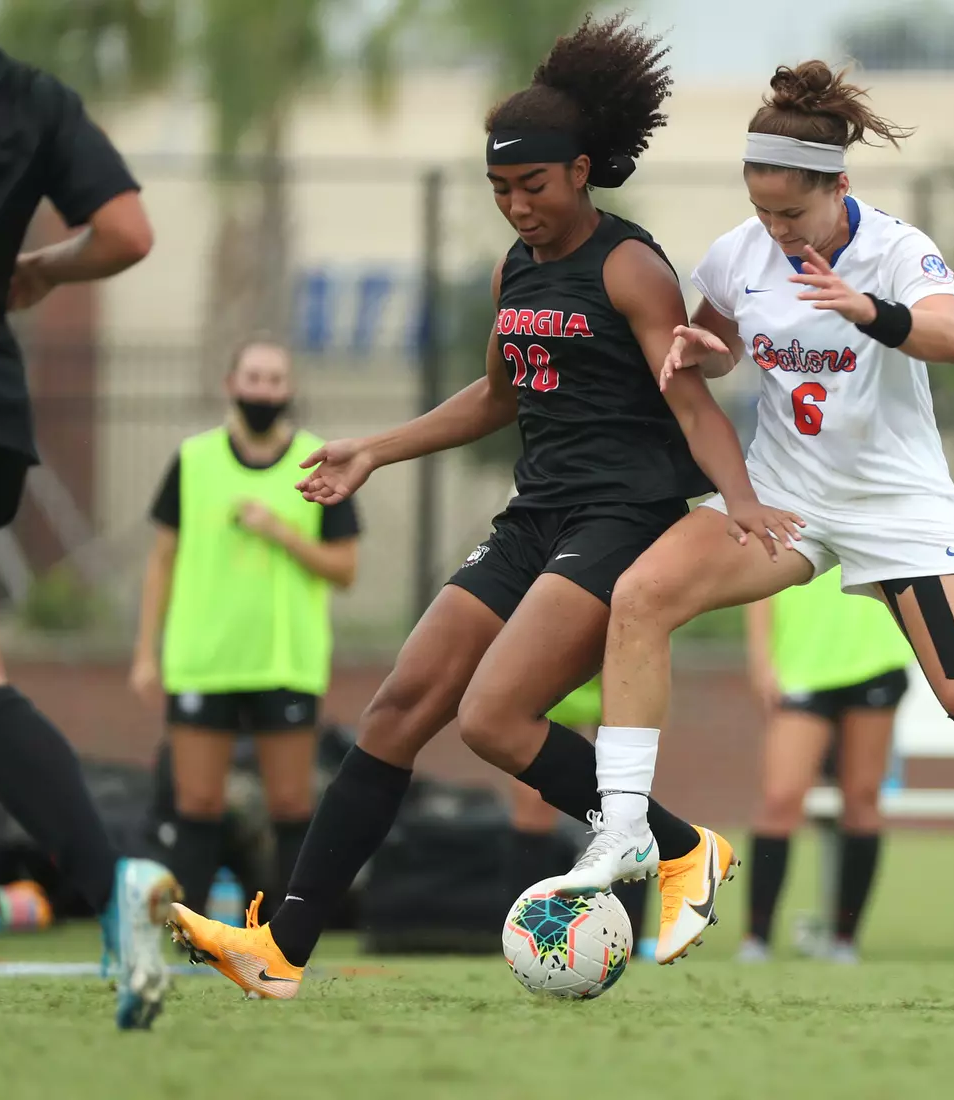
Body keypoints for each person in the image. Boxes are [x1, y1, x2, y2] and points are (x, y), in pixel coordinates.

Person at [167, 14, 796, 997]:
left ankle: (679, 849)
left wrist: (745, 497)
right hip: (533, 515)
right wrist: (376, 447)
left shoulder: (633, 267)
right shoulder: (519, 267)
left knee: (494, 719)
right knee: (397, 707)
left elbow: (690, 399)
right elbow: (499, 394)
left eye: (532, 186)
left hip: (619, 519)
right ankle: (281, 947)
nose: (516, 206)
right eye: (499, 189)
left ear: (582, 170)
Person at [546, 61, 954, 984]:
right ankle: (629, 832)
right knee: (639, 597)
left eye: (790, 214)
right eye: (761, 210)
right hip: (785, 501)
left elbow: (953, 337)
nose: (775, 229)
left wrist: (866, 310)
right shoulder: (736, 254)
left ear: (840, 185)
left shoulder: (894, 251)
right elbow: (719, 343)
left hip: (897, 506)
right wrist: (703, 350)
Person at [0, 36, 179, 1029]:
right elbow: (130, 232)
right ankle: (114, 888)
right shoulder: (29, 94)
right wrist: (43, 269)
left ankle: (109, 881)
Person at [129, 338, 360, 918]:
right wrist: (144, 653)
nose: (263, 390)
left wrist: (281, 532)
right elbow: (161, 561)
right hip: (203, 660)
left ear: (290, 390)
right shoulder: (193, 459)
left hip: (284, 662)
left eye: (275, 380)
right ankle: (190, 938)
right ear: (231, 384)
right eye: (253, 378)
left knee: (289, 804)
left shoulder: (318, 462)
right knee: (198, 803)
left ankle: (285, 941)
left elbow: (344, 569)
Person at [738, 507, 954, 963]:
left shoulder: (887, 472)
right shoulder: (790, 469)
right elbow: (760, 562)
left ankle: (844, 941)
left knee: (862, 798)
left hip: (876, 655)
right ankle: (756, 940)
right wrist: (759, 658)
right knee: (780, 797)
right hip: (801, 661)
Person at [512, 676, 652, 948]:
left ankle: (628, 936)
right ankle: (526, 929)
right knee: (532, 802)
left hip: (624, 654)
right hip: (554, 654)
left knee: (632, 790)